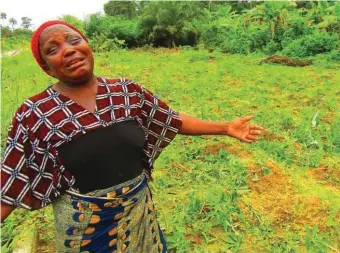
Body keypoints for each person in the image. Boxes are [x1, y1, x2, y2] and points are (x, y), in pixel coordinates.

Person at [1, 20, 264, 253]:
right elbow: (12, 176)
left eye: (74, 40)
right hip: (87, 229)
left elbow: (171, 119)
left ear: (88, 46)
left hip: (140, 213)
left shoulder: (125, 91)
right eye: (53, 49)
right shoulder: (36, 113)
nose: (68, 50)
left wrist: (225, 127)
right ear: (47, 68)